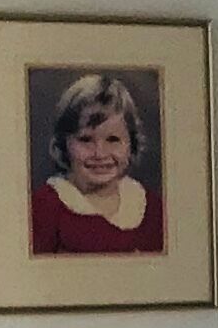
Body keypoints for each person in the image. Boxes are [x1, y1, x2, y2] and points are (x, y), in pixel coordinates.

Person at [31, 73, 163, 256]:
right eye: (85, 139)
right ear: (63, 144)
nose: (100, 154)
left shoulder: (152, 207)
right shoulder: (44, 208)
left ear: (131, 143)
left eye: (113, 139)